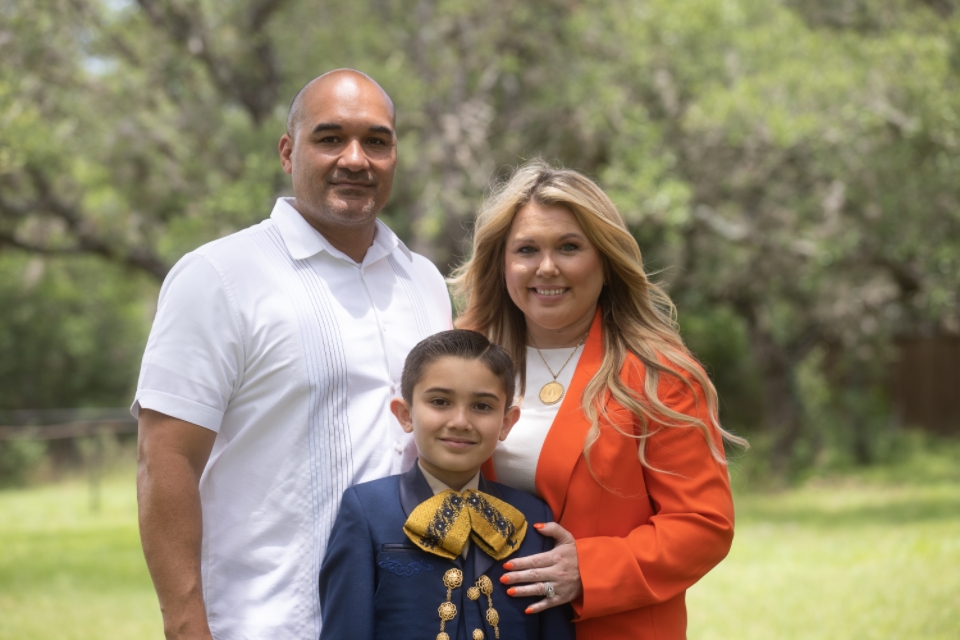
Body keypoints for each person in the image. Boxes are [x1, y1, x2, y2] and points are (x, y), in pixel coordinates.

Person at [133, 69, 452, 640]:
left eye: (376, 141)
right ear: (288, 151)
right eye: (330, 138)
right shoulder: (219, 277)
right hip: (271, 623)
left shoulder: (423, 281)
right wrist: (186, 628)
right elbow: (165, 462)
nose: (356, 159)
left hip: (415, 619)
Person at [449, 160, 748, 639]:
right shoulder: (460, 357)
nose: (547, 267)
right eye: (527, 250)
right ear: (502, 263)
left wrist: (588, 569)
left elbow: (703, 525)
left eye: (569, 247)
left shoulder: (657, 375)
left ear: (605, 262)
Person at [319, 330, 574, 640]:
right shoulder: (366, 509)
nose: (460, 421)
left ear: (506, 422)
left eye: (482, 406)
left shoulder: (533, 515)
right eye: (440, 402)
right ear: (405, 414)